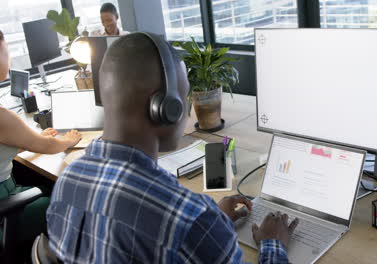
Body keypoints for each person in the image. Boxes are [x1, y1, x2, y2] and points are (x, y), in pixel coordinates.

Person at [47, 32, 299, 263]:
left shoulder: (67, 180)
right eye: (184, 96)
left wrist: (215, 218)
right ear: (167, 108)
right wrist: (272, 244)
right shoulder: (190, 220)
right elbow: (178, 223)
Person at [0, 31, 82, 261]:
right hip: (5, 205)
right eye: (6, 50)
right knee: (65, 199)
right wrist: (69, 139)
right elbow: (48, 147)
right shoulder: (1, 116)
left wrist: (26, 141)